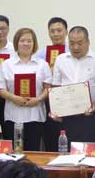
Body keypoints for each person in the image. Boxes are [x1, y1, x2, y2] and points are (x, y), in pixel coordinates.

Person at [0, 27, 51, 151]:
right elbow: (0, 89)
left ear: (34, 44)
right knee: (14, 152)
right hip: (13, 115)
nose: (26, 44)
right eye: (22, 40)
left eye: (29, 41)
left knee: (33, 151)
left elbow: (48, 88)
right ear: (16, 43)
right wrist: (14, 98)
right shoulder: (6, 64)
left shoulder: (42, 64)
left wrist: (38, 99)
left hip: (35, 115)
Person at [51, 26, 95, 143]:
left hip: (90, 116)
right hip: (66, 116)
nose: (75, 47)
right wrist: (55, 109)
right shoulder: (61, 59)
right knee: (66, 150)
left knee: (90, 151)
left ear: (88, 42)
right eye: (72, 43)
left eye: (80, 43)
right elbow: (55, 87)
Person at [37, 17, 68, 150]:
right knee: (50, 138)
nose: (56, 34)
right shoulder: (40, 55)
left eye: (59, 30)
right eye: (52, 31)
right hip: (48, 100)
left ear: (66, 32)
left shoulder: (72, 52)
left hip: (68, 99)